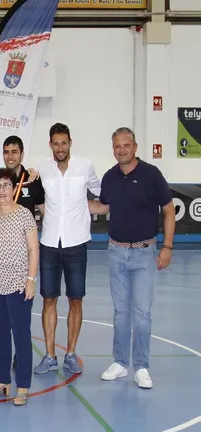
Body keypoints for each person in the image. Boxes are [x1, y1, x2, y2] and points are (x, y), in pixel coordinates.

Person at [88, 127, 175, 389]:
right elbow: (104, 206)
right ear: (113, 148)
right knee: (120, 313)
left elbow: (169, 211)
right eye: (117, 146)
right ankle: (120, 363)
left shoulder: (151, 175)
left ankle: (141, 366)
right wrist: (70, 202)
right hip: (116, 252)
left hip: (144, 253)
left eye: (126, 145)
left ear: (135, 147)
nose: (121, 150)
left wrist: (167, 247)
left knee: (142, 313)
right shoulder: (110, 177)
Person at [35, 123, 99, 375]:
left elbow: (103, 193)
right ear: (50, 144)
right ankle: (50, 356)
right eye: (56, 143)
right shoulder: (42, 169)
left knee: (75, 300)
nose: (60, 148)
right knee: (48, 299)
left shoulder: (85, 165)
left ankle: (70, 353)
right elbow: (38, 200)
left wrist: (93, 208)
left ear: (70, 142)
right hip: (49, 243)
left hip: (76, 243)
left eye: (64, 143)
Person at [0, 135, 45, 374]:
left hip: (22, 263)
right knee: (0, 320)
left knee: (20, 323)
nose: (10, 156)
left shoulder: (32, 180)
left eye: (15, 151)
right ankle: (1, 356)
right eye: (6, 151)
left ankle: (21, 363)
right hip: (0, 263)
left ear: (21, 153)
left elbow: (44, 211)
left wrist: (34, 266)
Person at [0, 168, 39, 406]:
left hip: (18, 285)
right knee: (1, 335)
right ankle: (3, 379)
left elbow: (34, 249)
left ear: (14, 188)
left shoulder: (24, 215)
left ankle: (22, 384)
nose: (1, 190)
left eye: (6, 185)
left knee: (22, 336)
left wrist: (30, 280)